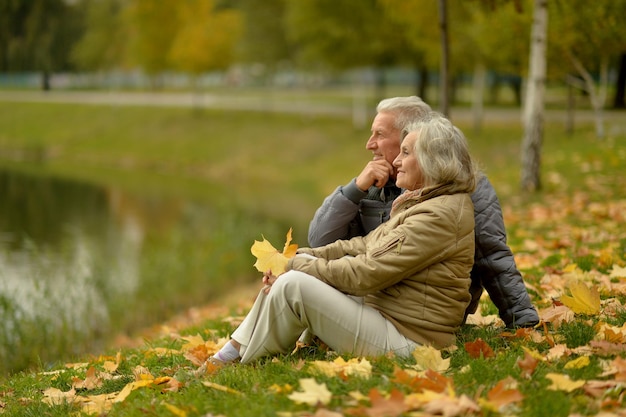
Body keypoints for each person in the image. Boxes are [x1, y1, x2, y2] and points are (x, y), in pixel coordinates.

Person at [198, 112, 477, 374]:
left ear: (433, 161)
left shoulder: (438, 215)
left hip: (411, 341)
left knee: (294, 284)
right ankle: (232, 352)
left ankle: (239, 361)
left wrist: (297, 266)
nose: (396, 161)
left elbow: (367, 273)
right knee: (293, 275)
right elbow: (362, 246)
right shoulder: (426, 202)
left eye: (406, 153)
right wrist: (298, 258)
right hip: (392, 317)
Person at [308, 96, 539, 328]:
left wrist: (522, 320)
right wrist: (353, 189)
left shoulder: (463, 186)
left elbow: (492, 256)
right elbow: (320, 241)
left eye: (379, 134)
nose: (369, 144)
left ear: (411, 136)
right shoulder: (370, 183)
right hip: (372, 293)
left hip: (425, 314)